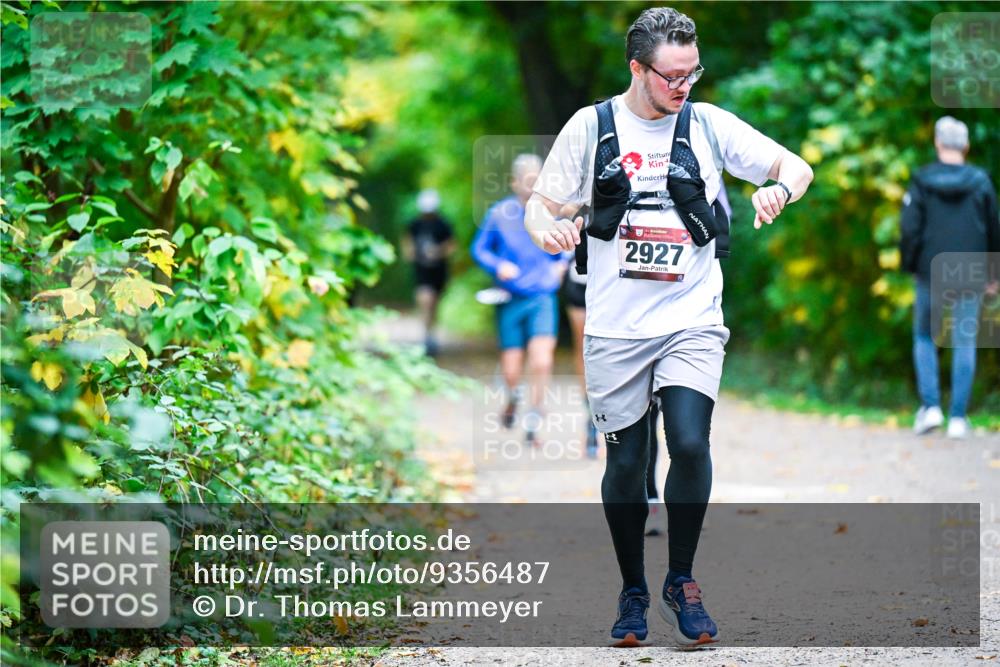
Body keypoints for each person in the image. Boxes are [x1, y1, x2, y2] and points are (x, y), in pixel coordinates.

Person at [525, 7, 813, 647]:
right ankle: (632, 591)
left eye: (693, 72)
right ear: (638, 68)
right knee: (626, 467)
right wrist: (545, 228)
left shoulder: (708, 125)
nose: (685, 85)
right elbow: (540, 204)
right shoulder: (592, 126)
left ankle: (680, 581)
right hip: (615, 329)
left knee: (688, 441)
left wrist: (779, 192)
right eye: (672, 75)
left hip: (691, 320)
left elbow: (796, 167)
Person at [900, 116, 999, 439]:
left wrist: (909, 264)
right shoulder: (981, 181)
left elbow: (910, 229)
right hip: (970, 272)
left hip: (930, 270)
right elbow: (994, 228)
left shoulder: (921, 180)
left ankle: (930, 409)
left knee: (924, 337)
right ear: (966, 146)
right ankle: (958, 418)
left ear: (938, 143)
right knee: (965, 340)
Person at [472, 154, 566, 445]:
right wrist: (497, 265)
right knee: (512, 370)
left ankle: (534, 421)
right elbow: (479, 250)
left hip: (542, 297)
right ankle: (513, 400)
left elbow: (567, 247)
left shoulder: (552, 213)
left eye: (537, 178)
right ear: (514, 183)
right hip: (510, 299)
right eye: (526, 179)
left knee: (541, 362)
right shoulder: (500, 214)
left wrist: (559, 266)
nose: (532, 184)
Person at [402, 189, 455, 357]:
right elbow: (407, 245)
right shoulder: (414, 224)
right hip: (421, 271)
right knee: (425, 300)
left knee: (434, 304)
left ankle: (431, 332)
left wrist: (437, 252)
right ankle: (426, 335)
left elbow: (452, 246)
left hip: (439, 271)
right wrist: (412, 254)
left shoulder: (443, 224)